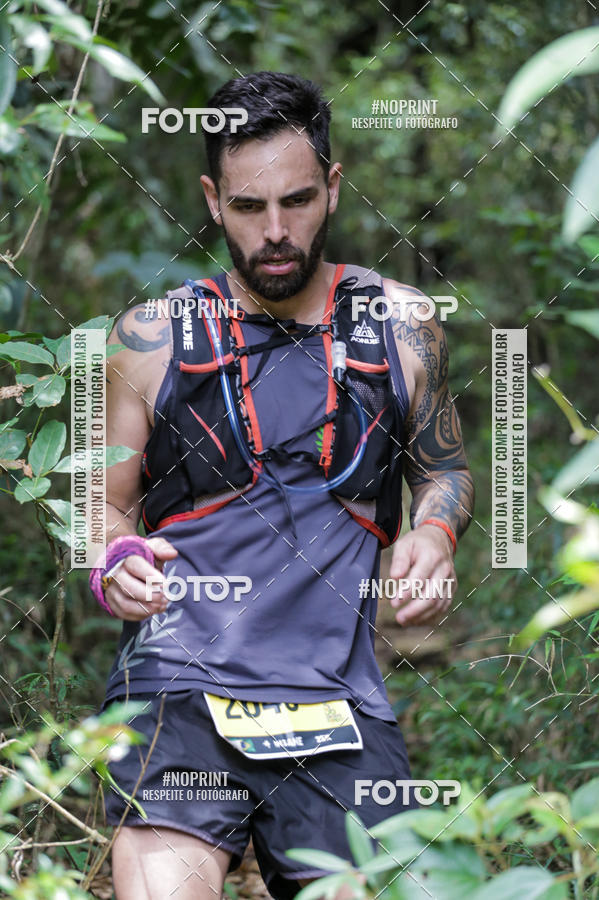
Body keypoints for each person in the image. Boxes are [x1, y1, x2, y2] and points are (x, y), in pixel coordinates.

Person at [94, 71, 474, 900]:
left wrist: (434, 533)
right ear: (210, 197)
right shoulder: (150, 338)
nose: (275, 232)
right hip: (181, 689)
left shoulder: (403, 325)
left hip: (336, 701)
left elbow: (443, 468)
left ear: (333, 187)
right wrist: (113, 558)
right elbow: (105, 501)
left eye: (297, 201)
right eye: (247, 207)